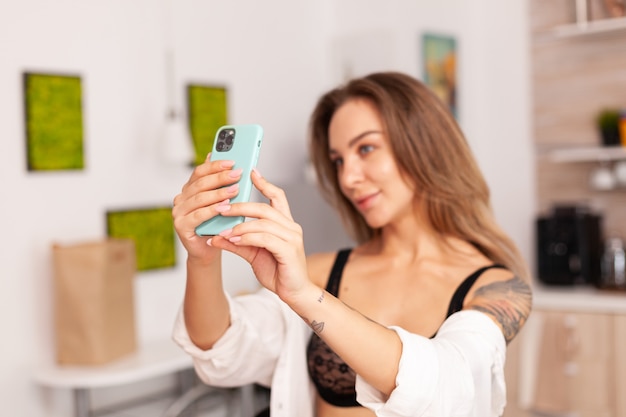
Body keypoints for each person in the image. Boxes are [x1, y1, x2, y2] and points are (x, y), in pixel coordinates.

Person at [171, 71, 533, 417]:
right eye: (338, 160)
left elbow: (444, 389)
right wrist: (202, 261)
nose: (348, 177)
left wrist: (307, 297)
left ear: (425, 145)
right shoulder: (320, 271)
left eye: (367, 148)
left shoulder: (497, 288)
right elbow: (222, 351)